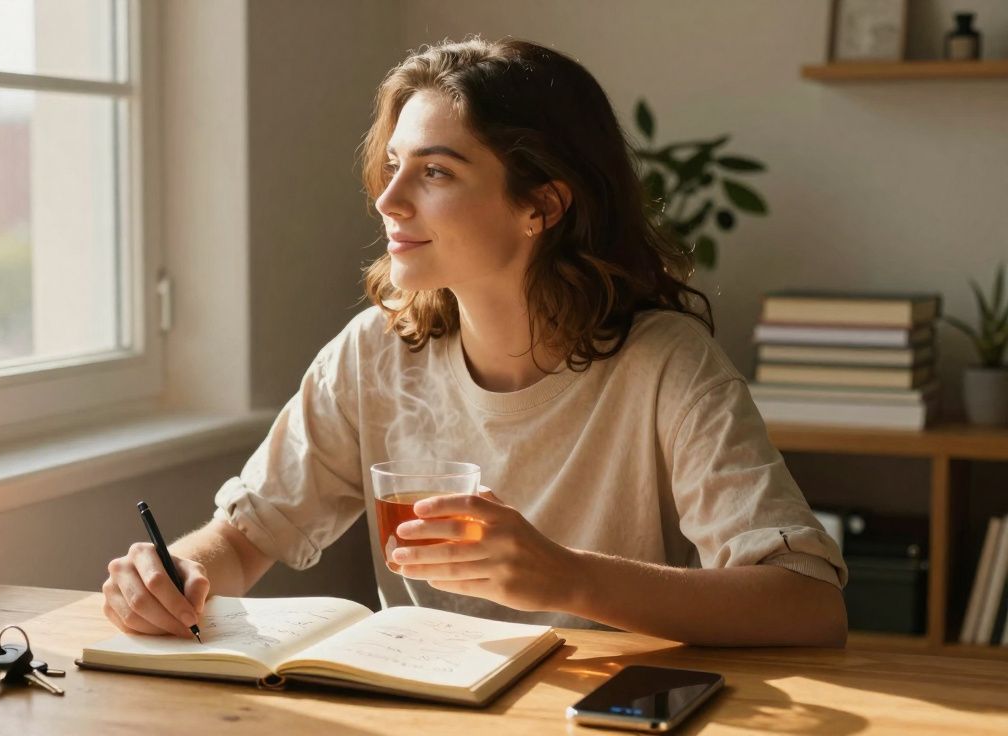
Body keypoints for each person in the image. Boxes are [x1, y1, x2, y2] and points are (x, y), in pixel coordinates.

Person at [102, 37, 848, 647]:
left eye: (434, 171)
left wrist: (568, 578)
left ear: (541, 205)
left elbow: (808, 603)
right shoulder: (373, 356)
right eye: (393, 166)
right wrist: (174, 577)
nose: (388, 200)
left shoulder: (666, 366)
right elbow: (242, 538)